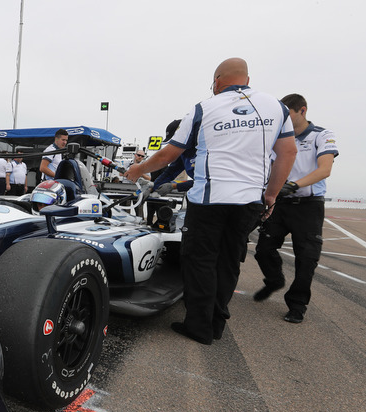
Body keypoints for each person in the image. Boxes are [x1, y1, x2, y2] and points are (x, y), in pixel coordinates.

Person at [125, 57, 297, 345]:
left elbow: (170, 154)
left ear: (217, 81)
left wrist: (138, 170)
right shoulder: (275, 106)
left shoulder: (204, 108)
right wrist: (271, 195)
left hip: (209, 201)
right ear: (248, 79)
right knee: (229, 261)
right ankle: (217, 322)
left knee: (199, 260)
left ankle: (199, 326)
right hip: (249, 201)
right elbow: (288, 152)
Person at [253, 94, 339, 324]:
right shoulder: (277, 138)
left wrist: (293, 185)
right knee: (263, 250)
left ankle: (297, 304)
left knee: (307, 258)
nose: (285, 121)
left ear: (302, 111)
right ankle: (274, 280)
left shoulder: (322, 135)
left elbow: (325, 169)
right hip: (279, 203)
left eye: (288, 115)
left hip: (308, 206)